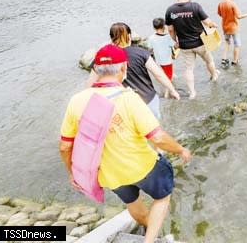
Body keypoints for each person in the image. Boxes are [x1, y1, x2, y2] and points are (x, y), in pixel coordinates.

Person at [60, 44, 192, 243]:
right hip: (143, 167)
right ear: (123, 69)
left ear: (95, 70)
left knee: (132, 202)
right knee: (163, 196)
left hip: (109, 175)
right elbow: (157, 138)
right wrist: (181, 149)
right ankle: (149, 240)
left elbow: (65, 146)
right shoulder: (129, 98)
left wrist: (72, 172)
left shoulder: (76, 101)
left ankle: (149, 227)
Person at [87, 23, 179, 119]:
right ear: (130, 36)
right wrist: (172, 90)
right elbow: (158, 74)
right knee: (154, 129)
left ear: (111, 38)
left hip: (123, 104)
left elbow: (90, 84)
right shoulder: (141, 52)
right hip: (148, 99)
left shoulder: (103, 57)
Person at [165, 0, 220, 100]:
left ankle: (192, 93)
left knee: (189, 69)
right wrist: (214, 25)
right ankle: (214, 76)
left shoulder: (170, 10)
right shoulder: (195, 6)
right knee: (209, 61)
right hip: (200, 42)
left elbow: (170, 29)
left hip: (184, 45)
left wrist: (176, 41)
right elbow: (207, 22)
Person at [217, 0, 247, 67]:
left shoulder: (220, 4)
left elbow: (219, 14)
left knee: (227, 42)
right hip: (233, 27)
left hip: (225, 26)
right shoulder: (233, 4)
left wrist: (226, 16)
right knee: (237, 44)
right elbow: (239, 16)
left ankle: (224, 59)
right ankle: (235, 61)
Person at [148, 18, 176, 98]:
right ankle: (167, 93)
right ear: (164, 26)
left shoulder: (151, 38)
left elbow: (150, 49)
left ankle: (164, 89)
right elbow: (175, 46)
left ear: (154, 28)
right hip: (167, 62)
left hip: (158, 61)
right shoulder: (167, 37)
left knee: (163, 75)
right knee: (168, 77)